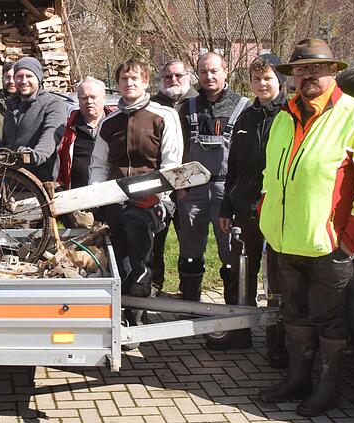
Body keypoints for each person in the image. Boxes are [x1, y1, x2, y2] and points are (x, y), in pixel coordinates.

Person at [258, 39, 354, 417]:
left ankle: (328, 389)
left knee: (329, 321)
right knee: (293, 314)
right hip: (284, 240)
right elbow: (271, 175)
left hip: (329, 246)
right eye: (301, 69)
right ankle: (297, 379)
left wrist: (352, 239)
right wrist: (265, 210)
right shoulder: (283, 116)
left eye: (317, 68)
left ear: (334, 71)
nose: (308, 75)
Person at [90, 58, 182, 341]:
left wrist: (160, 196)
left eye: (135, 79)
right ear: (117, 84)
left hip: (150, 199)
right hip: (115, 199)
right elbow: (98, 164)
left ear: (145, 82)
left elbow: (171, 163)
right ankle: (122, 313)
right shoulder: (109, 122)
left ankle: (137, 312)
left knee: (138, 245)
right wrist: (96, 197)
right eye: (124, 79)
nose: (129, 83)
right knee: (118, 256)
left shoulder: (163, 115)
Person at [208, 54, 288, 366]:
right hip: (244, 210)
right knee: (239, 274)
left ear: (279, 81)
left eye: (267, 78)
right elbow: (235, 168)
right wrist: (227, 207)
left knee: (277, 278)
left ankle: (277, 343)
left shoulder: (290, 115)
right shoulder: (246, 117)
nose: (261, 84)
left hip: (277, 212)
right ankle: (239, 332)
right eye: (256, 79)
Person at [177, 52, 251, 301]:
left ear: (225, 71)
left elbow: (247, 156)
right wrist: (179, 189)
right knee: (189, 251)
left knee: (230, 250)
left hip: (225, 191)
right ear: (197, 74)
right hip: (192, 189)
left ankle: (232, 307)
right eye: (203, 71)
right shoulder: (187, 108)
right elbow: (179, 151)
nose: (208, 76)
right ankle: (190, 306)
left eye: (214, 71)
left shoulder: (243, 107)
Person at [150, 60, 198, 291]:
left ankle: (188, 288)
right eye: (168, 76)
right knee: (155, 238)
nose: (173, 80)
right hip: (159, 183)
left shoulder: (197, 103)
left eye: (178, 75)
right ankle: (154, 283)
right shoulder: (151, 105)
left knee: (189, 240)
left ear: (187, 76)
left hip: (191, 183)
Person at [1, 57, 67, 182]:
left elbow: (51, 135)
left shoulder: (53, 104)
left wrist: (36, 156)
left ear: (39, 79)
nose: (24, 81)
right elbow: (5, 144)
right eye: (19, 76)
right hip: (10, 184)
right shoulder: (11, 106)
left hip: (39, 184)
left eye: (29, 76)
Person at [56, 76, 111, 191]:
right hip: (77, 196)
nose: (89, 102)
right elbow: (58, 163)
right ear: (79, 101)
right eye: (84, 98)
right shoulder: (67, 129)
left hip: (112, 195)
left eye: (93, 97)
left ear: (104, 98)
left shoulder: (115, 125)